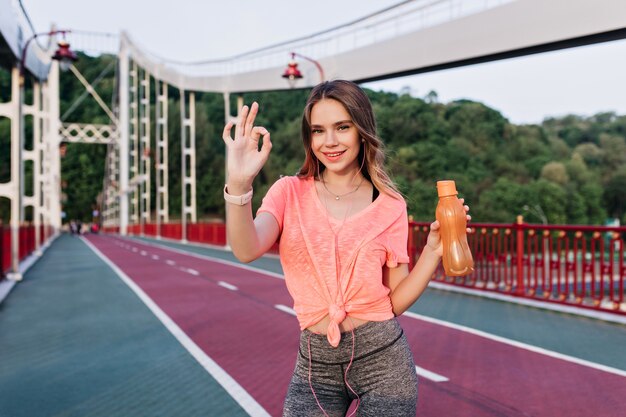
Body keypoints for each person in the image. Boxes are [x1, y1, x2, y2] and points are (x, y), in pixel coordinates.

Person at [222, 80, 470, 417]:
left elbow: (394, 302)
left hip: (383, 361)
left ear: (362, 129)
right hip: (315, 367)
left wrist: (432, 252)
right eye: (318, 130)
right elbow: (246, 248)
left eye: (342, 127)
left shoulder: (390, 204)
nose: (330, 141)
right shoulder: (288, 192)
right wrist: (238, 185)